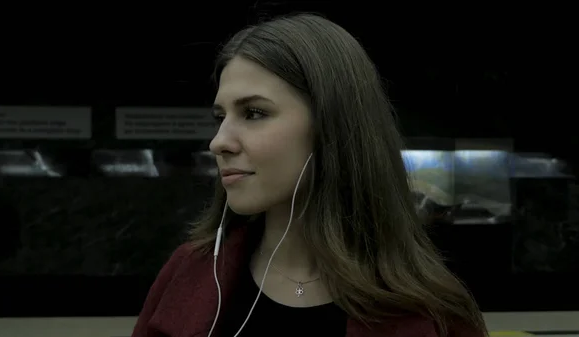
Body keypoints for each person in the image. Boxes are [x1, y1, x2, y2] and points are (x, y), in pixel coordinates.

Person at [132, 13, 488, 337]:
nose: (219, 142)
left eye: (254, 113)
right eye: (219, 117)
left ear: (332, 126)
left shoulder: (433, 311)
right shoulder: (188, 275)